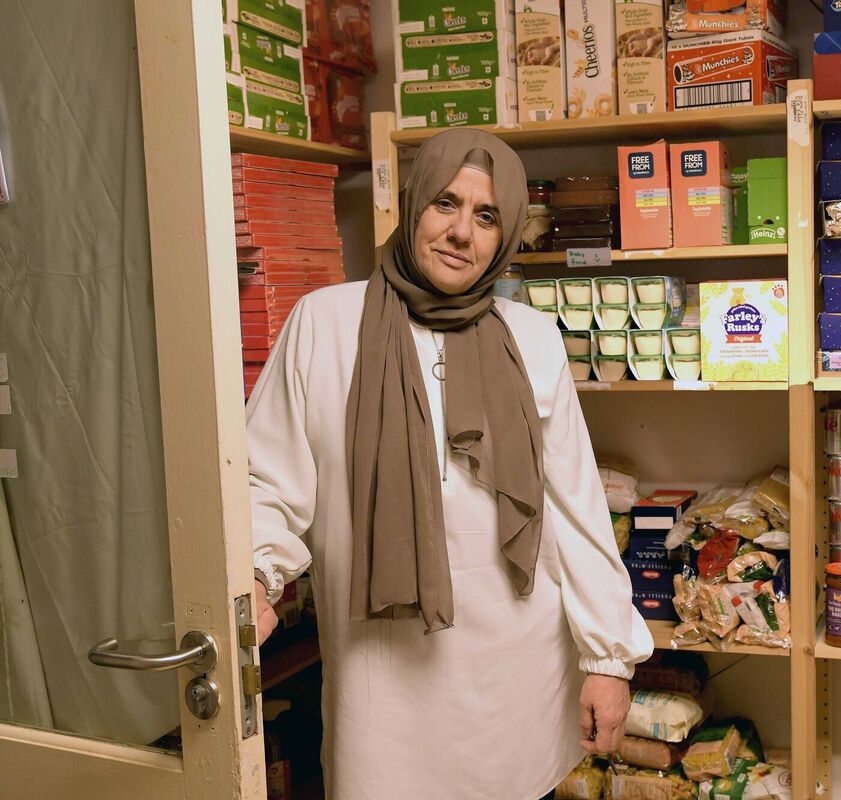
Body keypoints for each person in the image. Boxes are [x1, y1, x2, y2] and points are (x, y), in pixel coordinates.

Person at [245, 128, 653, 799]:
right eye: (445, 204)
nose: (463, 232)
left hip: (516, 672)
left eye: (486, 216)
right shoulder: (325, 324)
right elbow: (269, 478)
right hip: (385, 685)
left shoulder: (532, 337)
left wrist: (609, 659)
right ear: (412, 208)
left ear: (506, 235)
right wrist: (258, 573)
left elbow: (576, 509)